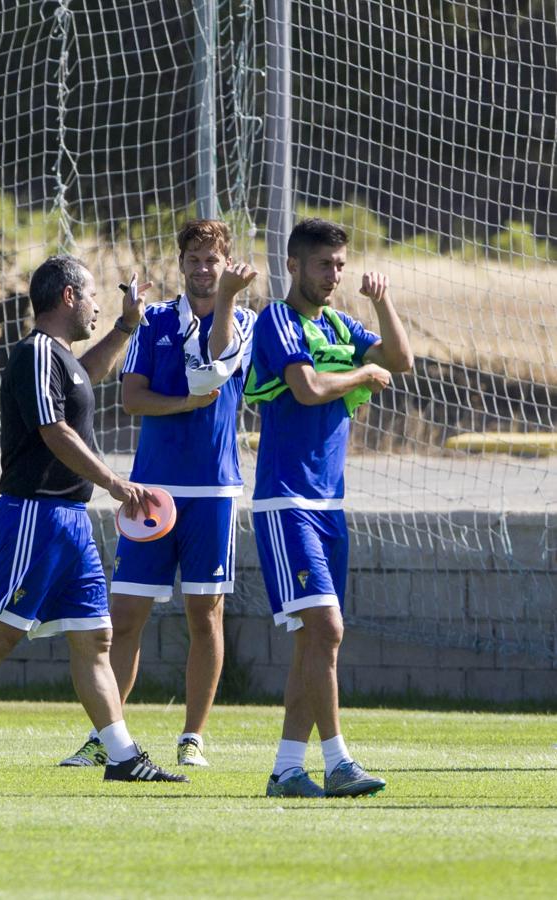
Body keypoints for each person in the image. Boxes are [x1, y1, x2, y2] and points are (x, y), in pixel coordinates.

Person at [0, 254, 188, 783]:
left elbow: (86, 378)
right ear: (67, 296)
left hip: (71, 521)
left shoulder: (61, 359)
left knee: (94, 639)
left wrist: (127, 325)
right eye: (91, 296)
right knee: (1, 632)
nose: (96, 306)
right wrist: (114, 482)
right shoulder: (36, 352)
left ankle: (122, 756)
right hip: (35, 517)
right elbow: (53, 428)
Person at [58, 220, 257, 770]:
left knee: (205, 617)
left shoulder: (243, 320)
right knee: (125, 616)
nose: (200, 268)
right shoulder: (155, 321)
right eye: (192, 259)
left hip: (214, 491)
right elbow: (132, 400)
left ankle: (193, 736)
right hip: (150, 491)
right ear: (182, 263)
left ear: (225, 264)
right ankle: (109, 737)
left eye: (211, 260)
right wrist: (183, 407)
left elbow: (216, 362)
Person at [245, 218, 413, 798]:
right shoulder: (275, 320)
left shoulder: (340, 321)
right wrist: (365, 373)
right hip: (285, 501)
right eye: (324, 265)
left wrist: (384, 303)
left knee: (314, 641)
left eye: (340, 266)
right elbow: (307, 388)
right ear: (293, 265)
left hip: (328, 503)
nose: (334, 276)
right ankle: (338, 761)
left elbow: (401, 358)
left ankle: (287, 769)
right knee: (328, 627)